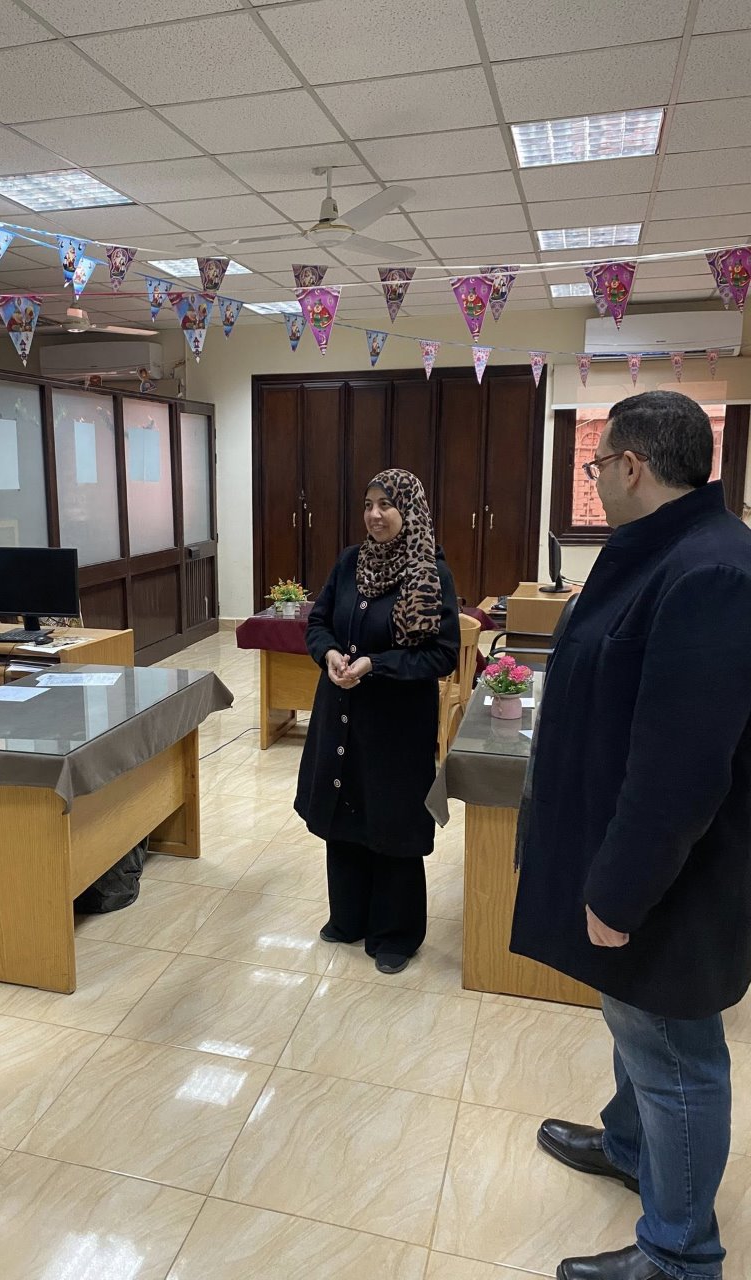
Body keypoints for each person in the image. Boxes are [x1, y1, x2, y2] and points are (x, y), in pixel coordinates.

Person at [510, 391, 751, 1280]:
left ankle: (681, 1254)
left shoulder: (709, 571)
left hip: (672, 873)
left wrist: (619, 891)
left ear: (632, 466)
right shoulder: (663, 550)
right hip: (629, 849)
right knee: (633, 1018)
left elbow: (679, 768)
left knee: (676, 1053)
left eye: (597, 464)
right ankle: (628, 1145)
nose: (597, 479)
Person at [294, 468, 460, 974]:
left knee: (391, 820)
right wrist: (328, 655)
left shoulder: (430, 573)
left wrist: (375, 664)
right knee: (344, 811)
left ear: (409, 511)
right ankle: (349, 917)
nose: (375, 514)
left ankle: (395, 934)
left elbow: (441, 655)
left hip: (395, 725)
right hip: (341, 714)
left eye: (386, 505)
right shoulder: (350, 563)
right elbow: (318, 622)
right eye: (368, 504)